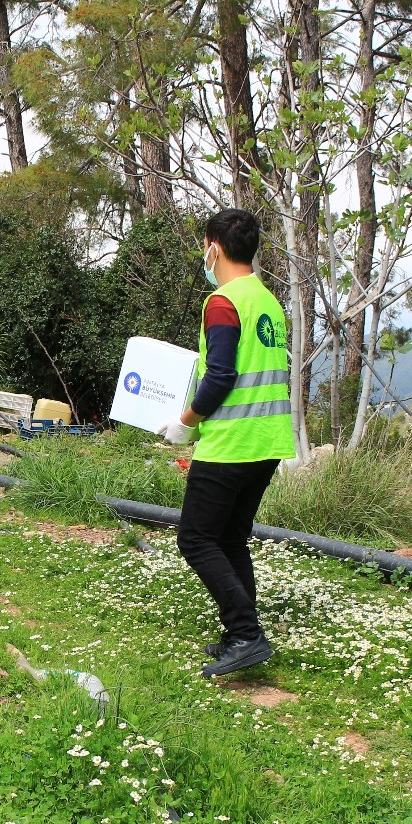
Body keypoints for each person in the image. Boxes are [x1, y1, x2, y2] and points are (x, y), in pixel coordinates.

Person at [157, 209, 296, 677]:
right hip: (268, 440)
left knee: (196, 539)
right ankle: (238, 631)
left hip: (231, 443)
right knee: (230, 538)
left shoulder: (222, 302)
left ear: (214, 248)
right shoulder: (268, 302)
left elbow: (220, 376)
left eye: (204, 246)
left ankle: (246, 634)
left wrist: (185, 422)